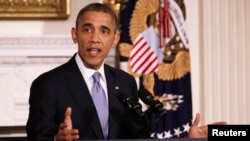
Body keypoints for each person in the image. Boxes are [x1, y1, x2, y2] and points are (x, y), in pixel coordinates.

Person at [26, 2, 226, 141]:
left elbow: (137, 139)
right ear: (74, 34)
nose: (95, 38)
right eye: (87, 29)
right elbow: (36, 138)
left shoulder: (125, 82)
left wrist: (186, 140)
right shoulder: (48, 84)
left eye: (104, 31)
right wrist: (56, 139)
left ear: (115, 39)